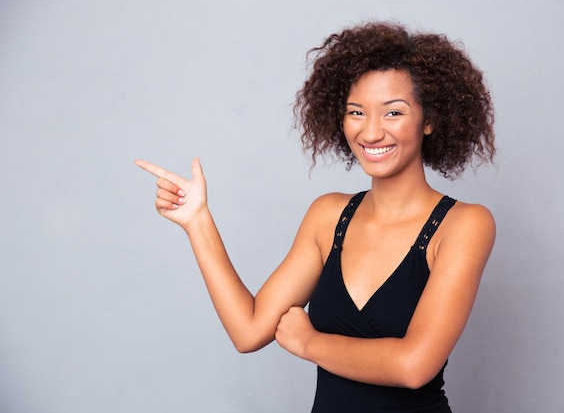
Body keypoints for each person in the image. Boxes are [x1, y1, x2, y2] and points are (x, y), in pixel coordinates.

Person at [136, 21, 496, 413]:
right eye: (356, 112)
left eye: (393, 112)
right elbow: (248, 330)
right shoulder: (329, 215)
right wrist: (197, 221)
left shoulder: (464, 225)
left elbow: (414, 366)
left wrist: (308, 343)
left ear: (429, 120)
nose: (371, 132)